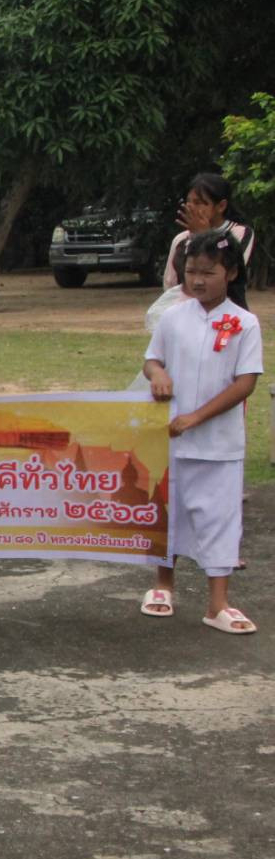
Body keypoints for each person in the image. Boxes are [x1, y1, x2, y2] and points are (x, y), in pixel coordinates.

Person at [140, 230, 262, 635]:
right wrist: (157, 376)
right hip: (171, 440)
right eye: (191, 271)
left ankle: (218, 604)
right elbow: (152, 359)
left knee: (219, 519)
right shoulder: (174, 316)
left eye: (207, 273)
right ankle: (162, 586)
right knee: (168, 514)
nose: (197, 280)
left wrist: (197, 418)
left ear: (229, 273)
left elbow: (245, 382)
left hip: (219, 445)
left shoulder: (245, 323)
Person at [164, 173, 256, 309]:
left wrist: (203, 235)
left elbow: (229, 270)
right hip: (190, 313)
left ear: (221, 206)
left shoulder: (240, 233)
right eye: (188, 202)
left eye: (199, 203)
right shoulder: (180, 240)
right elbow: (170, 283)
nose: (191, 208)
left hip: (227, 315)